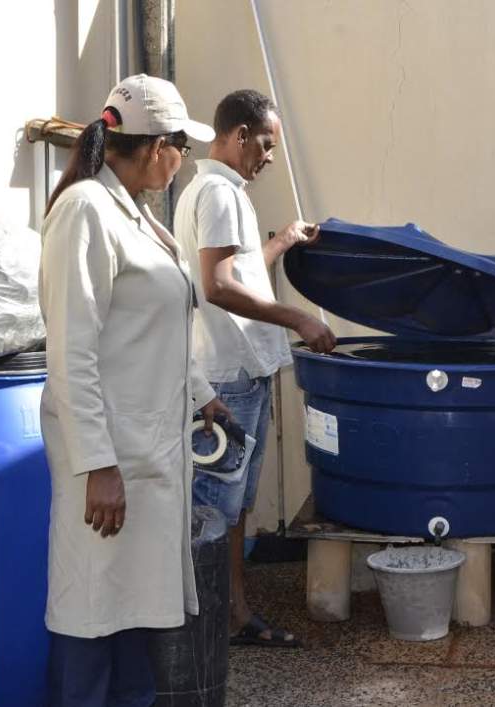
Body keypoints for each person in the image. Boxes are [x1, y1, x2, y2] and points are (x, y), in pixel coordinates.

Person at [40, 74, 230, 706]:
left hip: (146, 457)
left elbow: (155, 324)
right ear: (157, 149)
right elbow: (72, 351)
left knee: (134, 620)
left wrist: (200, 391)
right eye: (183, 146)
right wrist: (98, 466)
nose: (185, 160)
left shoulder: (138, 216)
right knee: (92, 617)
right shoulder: (85, 210)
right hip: (111, 465)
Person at [174, 89, 336, 648]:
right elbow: (216, 288)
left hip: (242, 371)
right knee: (215, 510)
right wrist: (298, 319)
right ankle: (206, 628)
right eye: (265, 145)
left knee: (235, 505)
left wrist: (282, 243)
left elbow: (237, 272)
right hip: (224, 377)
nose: (269, 157)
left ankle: (233, 612)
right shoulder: (218, 194)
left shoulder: (225, 192)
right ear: (238, 134)